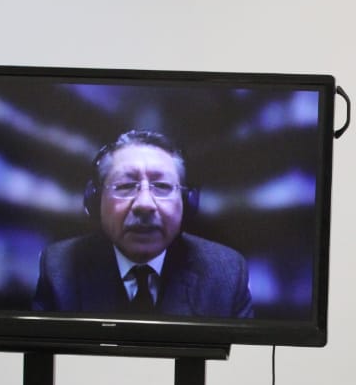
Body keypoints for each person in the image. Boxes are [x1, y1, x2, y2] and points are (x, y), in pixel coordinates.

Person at [33, 130, 254, 317]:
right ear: (95, 200)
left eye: (162, 186)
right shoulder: (59, 268)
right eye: (125, 186)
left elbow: (245, 355)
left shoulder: (226, 273)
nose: (145, 204)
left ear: (187, 202)